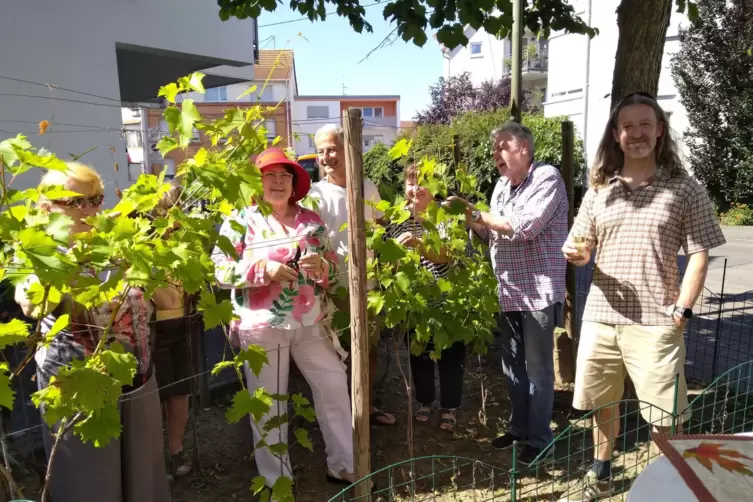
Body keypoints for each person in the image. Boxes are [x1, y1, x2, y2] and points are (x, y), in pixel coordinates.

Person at [559, 92, 725, 501]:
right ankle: (599, 472)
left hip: (656, 321)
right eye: (627, 126)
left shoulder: (684, 189)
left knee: (664, 415)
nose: (636, 133)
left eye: (644, 125)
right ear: (616, 135)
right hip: (600, 316)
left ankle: (666, 486)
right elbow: (580, 248)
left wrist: (683, 309)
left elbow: (700, 254)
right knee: (602, 403)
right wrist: (576, 254)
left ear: (659, 132)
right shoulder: (599, 190)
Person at [15, 162, 170, 502]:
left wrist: (139, 258)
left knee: (143, 480)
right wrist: (74, 256)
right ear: (46, 208)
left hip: (139, 380)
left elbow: (169, 298)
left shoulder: (116, 248)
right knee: (89, 486)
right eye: (75, 202)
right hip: (80, 393)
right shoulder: (40, 254)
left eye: (96, 200)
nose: (89, 210)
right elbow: (29, 300)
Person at [211, 148, 356, 488]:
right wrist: (264, 269)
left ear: (294, 183)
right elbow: (219, 269)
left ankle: (343, 465)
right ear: (257, 182)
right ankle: (278, 483)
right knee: (268, 405)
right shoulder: (241, 220)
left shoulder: (310, 221)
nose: (278, 182)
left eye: (285, 176)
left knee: (334, 387)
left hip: (311, 322)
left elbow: (334, 269)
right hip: (261, 326)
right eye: (270, 175)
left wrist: (323, 267)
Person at [447, 121, 568, 465]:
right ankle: (519, 429)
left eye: (502, 146)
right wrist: (472, 221)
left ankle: (541, 438)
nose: (496, 154)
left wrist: (479, 215)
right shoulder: (501, 186)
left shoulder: (547, 178)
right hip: (509, 290)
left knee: (539, 370)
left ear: (524, 149)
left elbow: (525, 227)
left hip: (538, 291)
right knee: (512, 366)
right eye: (494, 149)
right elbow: (492, 236)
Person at [308, 123, 397, 427]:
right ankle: (342, 416)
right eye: (321, 151)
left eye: (331, 148)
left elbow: (382, 225)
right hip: (333, 288)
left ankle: (366, 408)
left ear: (347, 149)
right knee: (335, 355)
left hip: (369, 285)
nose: (325, 156)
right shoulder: (315, 195)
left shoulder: (367, 187)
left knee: (368, 349)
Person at [386, 163, 466, 431]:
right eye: (411, 182)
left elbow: (447, 255)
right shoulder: (397, 220)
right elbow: (387, 263)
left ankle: (450, 407)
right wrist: (395, 257)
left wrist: (419, 246)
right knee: (419, 353)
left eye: (423, 182)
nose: (416, 188)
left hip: (448, 299)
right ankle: (424, 402)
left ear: (434, 188)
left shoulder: (444, 216)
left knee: (450, 356)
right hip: (414, 301)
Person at [150, 181, 195, 480]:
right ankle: (153, 458)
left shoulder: (189, 243)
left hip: (183, 325)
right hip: (154, 331)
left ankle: (175, 450)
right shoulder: (145, 247)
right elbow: (164, 297)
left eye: (177, 209)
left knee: (180, 395)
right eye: (164, 210)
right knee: (154, 399)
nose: (171, 217)